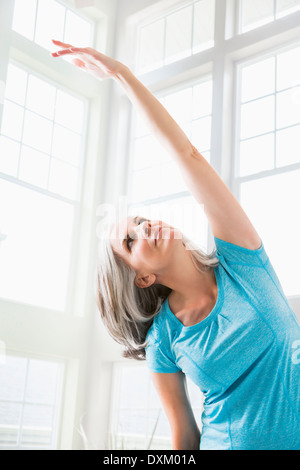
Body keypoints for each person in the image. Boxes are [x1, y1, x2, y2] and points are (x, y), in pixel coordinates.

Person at [52, 40, 300, 450]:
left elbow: (188, 156)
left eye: (141, 220)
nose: (146, 227)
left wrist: (123, 75)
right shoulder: (163, 340)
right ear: (143, 278)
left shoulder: (242, 261)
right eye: (131, 241)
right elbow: (184, 436)